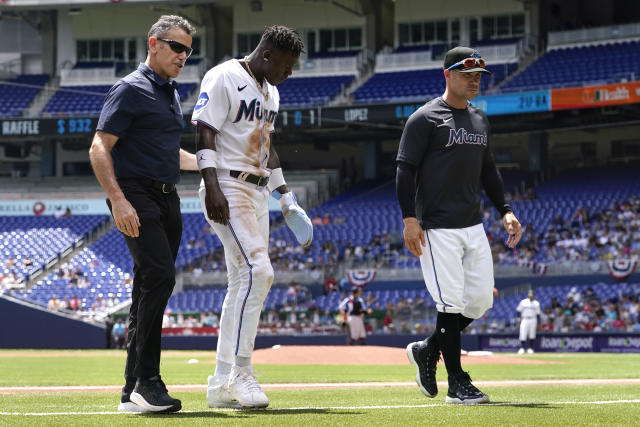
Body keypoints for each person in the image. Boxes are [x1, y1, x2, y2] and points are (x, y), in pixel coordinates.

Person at [191, 25, 309, 410]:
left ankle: (220, 382)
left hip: (258, 190)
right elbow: (204, 132)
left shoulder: (270, 91)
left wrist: (287, 198)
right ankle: (241, 373)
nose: (289, 74)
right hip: (227, 184)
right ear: (268, 54)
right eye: (287, 65)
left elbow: (267, 148)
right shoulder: (224, 75)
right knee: (260, 272)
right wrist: (211, 186)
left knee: (241, 281)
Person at [396, 46, 523, 405]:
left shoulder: (481, 120)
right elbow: (404, 170)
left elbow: (489, 171)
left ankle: (428, 348)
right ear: (447, 74)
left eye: (479, 75)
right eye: (467, 73)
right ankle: (458, 383)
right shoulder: (424, 119)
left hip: (472, 224)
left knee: (480, 301)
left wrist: (506, 210)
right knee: (449, 304)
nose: (474, 80)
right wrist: (409, 219)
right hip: (436, 226)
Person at [89, 15, 198, 414]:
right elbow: (99, 146)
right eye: (177, 47)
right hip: (137, 195)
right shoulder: (130, 88)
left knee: (146, 288)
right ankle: (148, 381)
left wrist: (211, 162)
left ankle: (131, 389)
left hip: (169, 197)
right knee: (160, 277)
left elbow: (172, 155)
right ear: (154, 43)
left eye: (189, 49)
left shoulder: (170, 92)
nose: (184, 55)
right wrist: (118, 199)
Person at [517, 289, 541, 354]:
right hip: (524, 319)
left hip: (533, 319)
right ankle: (522, 348)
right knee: (523, 333)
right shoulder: (523, 302)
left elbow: (538, 314)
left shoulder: (536, 303)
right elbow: (519, 310)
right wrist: (518, 318)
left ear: (534, 296)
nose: (531, 297)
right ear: (528, 295)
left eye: (532, 295)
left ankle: (530, 348)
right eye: (530, 295)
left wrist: (538, 323)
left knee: (532, 334)